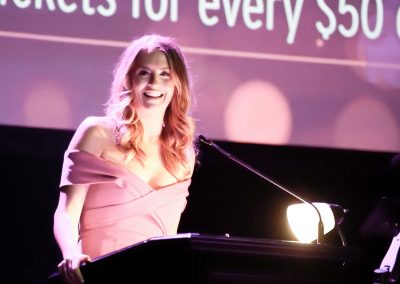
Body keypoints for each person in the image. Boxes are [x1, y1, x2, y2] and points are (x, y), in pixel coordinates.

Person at [53, 34, 196, 283]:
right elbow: (66, 213)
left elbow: (169, 237)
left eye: (165, 74)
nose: (154, 83)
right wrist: (71, 253)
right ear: (129, 79)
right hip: (100, 274)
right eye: (144, 73)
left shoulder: (183, 154)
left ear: (177, 84)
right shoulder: (96, 132)